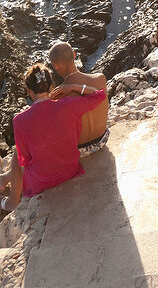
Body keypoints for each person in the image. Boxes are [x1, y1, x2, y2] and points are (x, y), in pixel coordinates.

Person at [0, 64, 106, 213]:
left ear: (29, 91)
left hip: (41, 181)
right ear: (51, 86)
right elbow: (99, 94)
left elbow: (25, 159)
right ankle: (4, 178)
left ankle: (12, 202)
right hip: (69, 170)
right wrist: (73, 87)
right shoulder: (68, 104)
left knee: (17, 155)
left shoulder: (19, 120)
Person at [48, 41, 109, 155]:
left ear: (55, 65)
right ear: (74, 54)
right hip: (102, 139)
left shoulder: (59, 95)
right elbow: (99, 96)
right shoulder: (100, 78)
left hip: (79, 150)